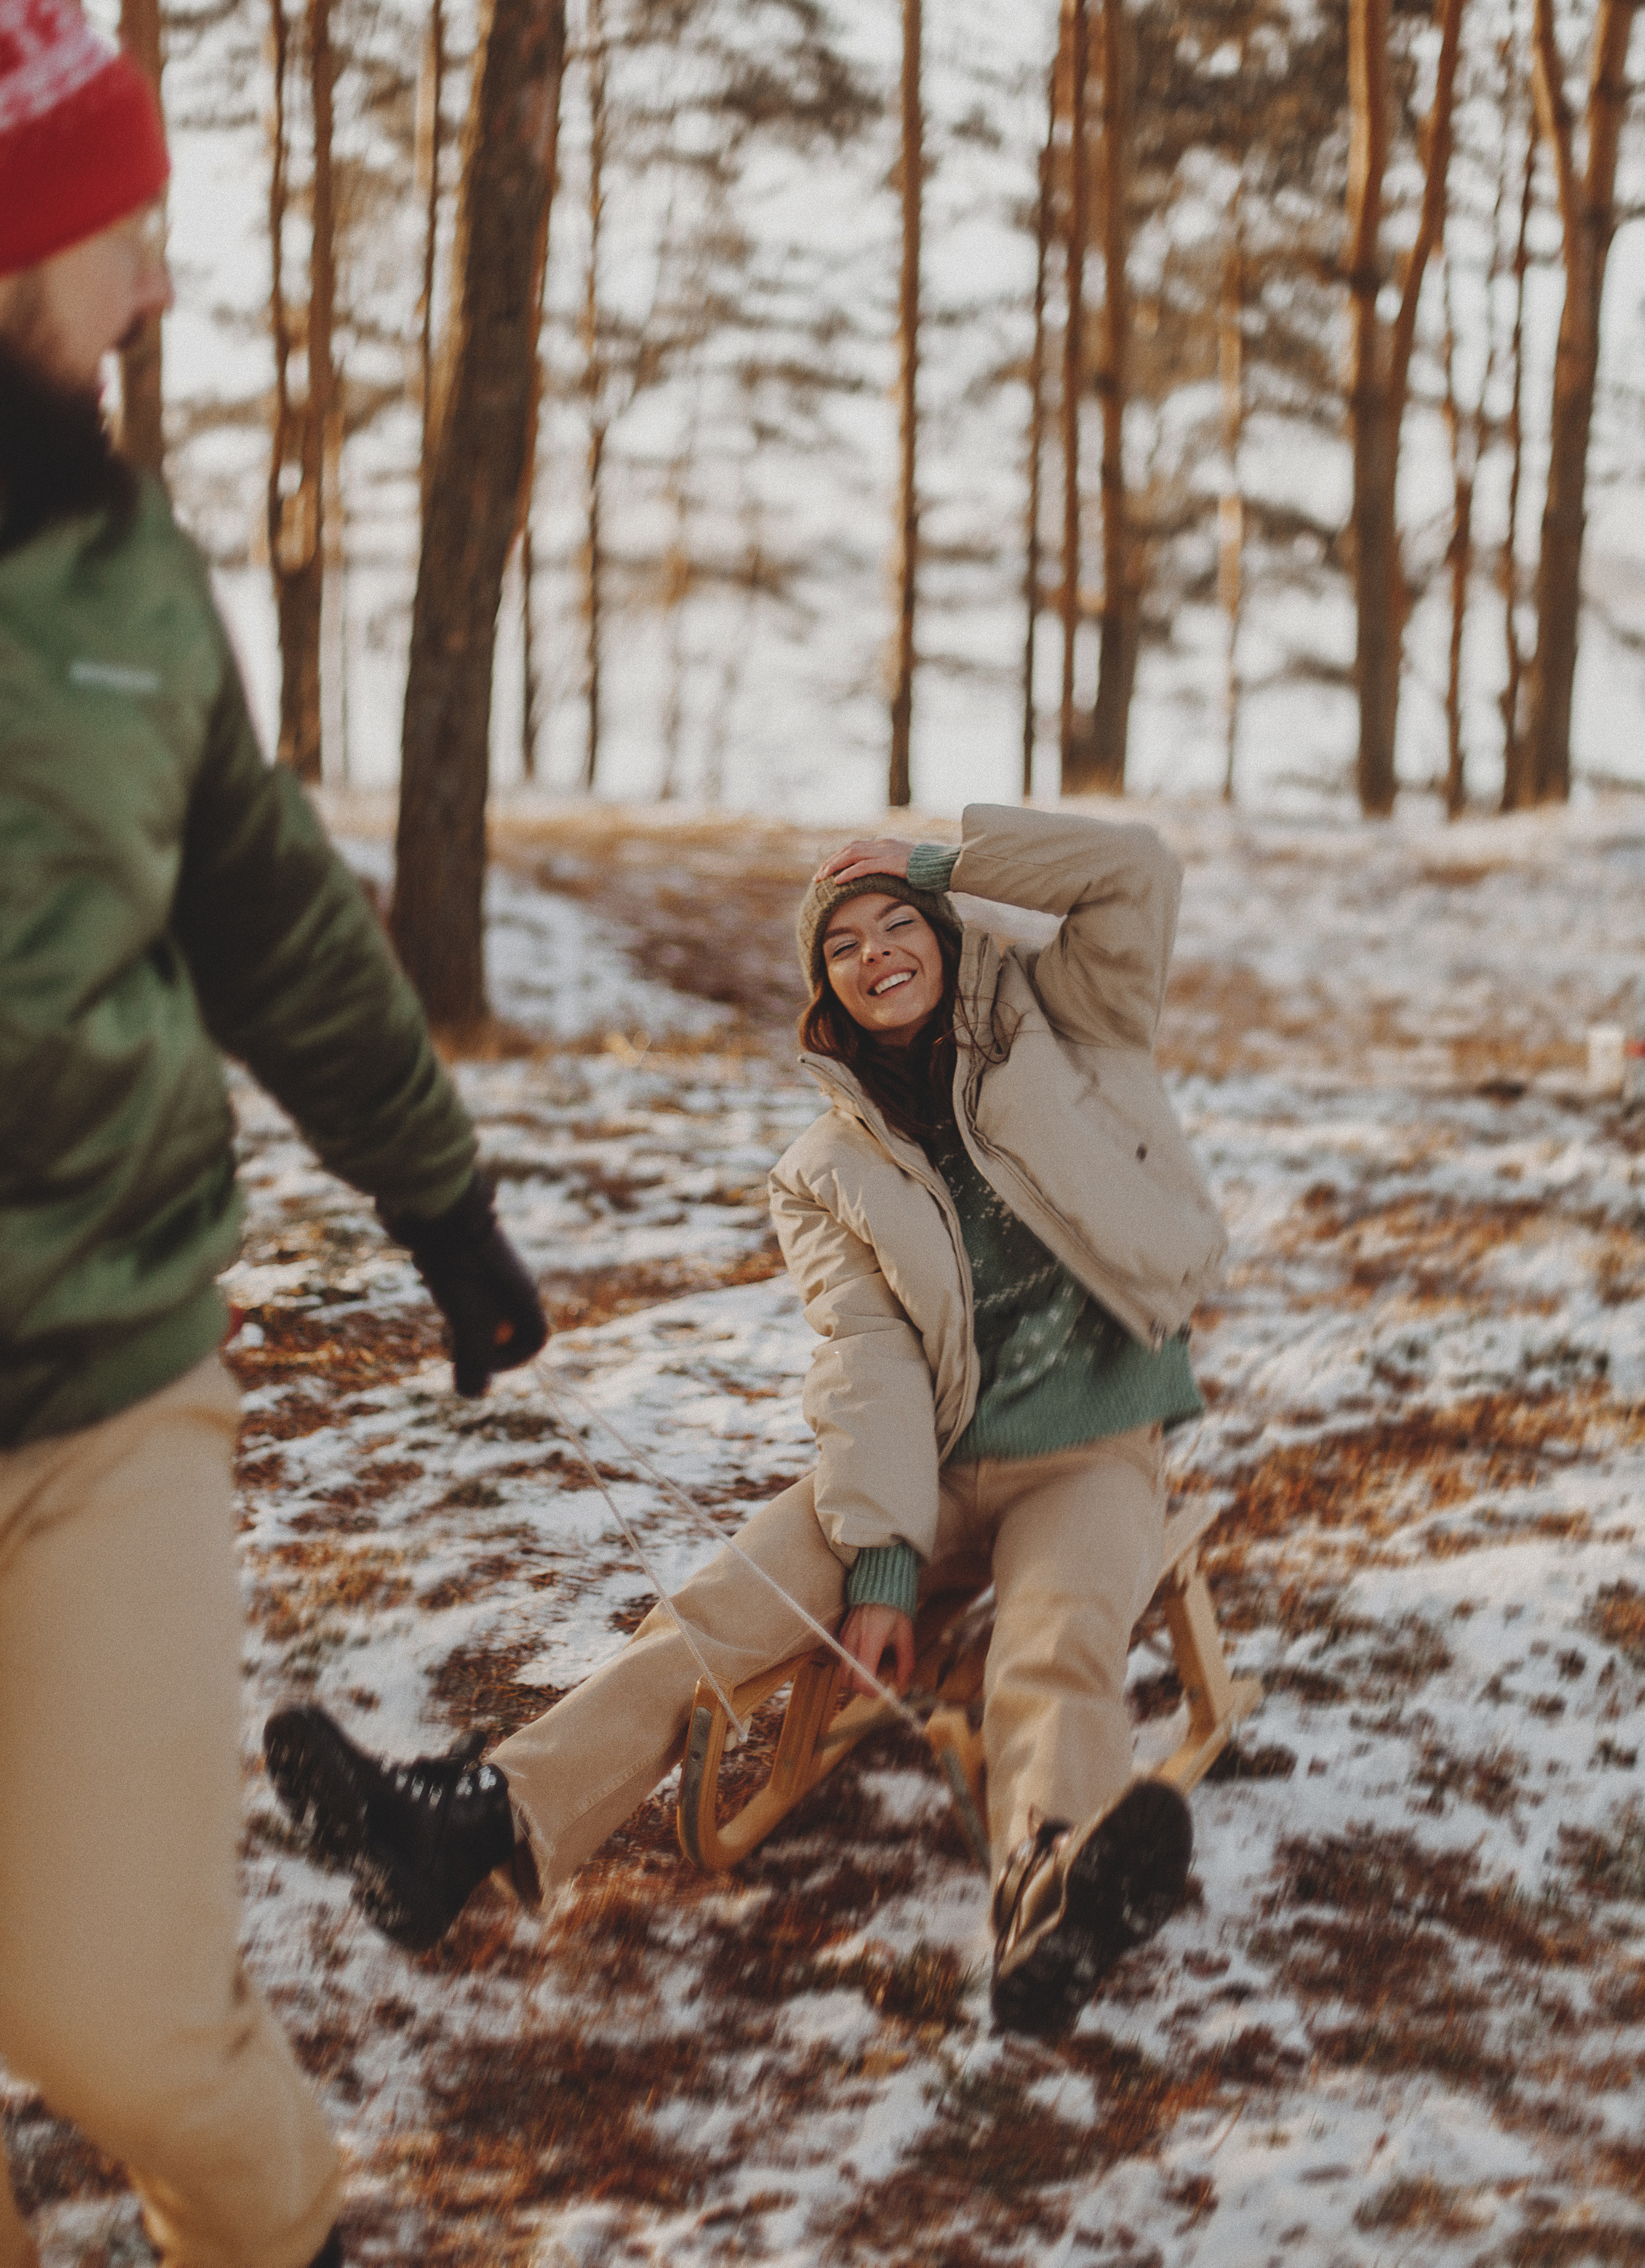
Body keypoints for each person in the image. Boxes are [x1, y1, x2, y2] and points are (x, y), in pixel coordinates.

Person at [0, 0, 547, 2268]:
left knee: (114, 2014)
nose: (158, 265)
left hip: (101, 1392)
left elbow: (274, 921)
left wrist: (444, 1204)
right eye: (118, 210)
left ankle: (301, 2236)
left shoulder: (129, 575)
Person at [266, 804, 1228, 2036]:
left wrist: (923, 857)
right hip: (930, 1466)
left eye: (898, 925)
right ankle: (465, 1827)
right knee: (724, 1609)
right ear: (822, 990)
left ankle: (1049, 1881)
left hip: (1090, 1454)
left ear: (941, 929)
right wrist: (884, 1557)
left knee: (1055, 1642)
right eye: (843, 944)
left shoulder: (1078, 1023)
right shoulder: (825, 1170)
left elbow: (1132, 869)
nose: (876, 952)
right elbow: (870, 1364)